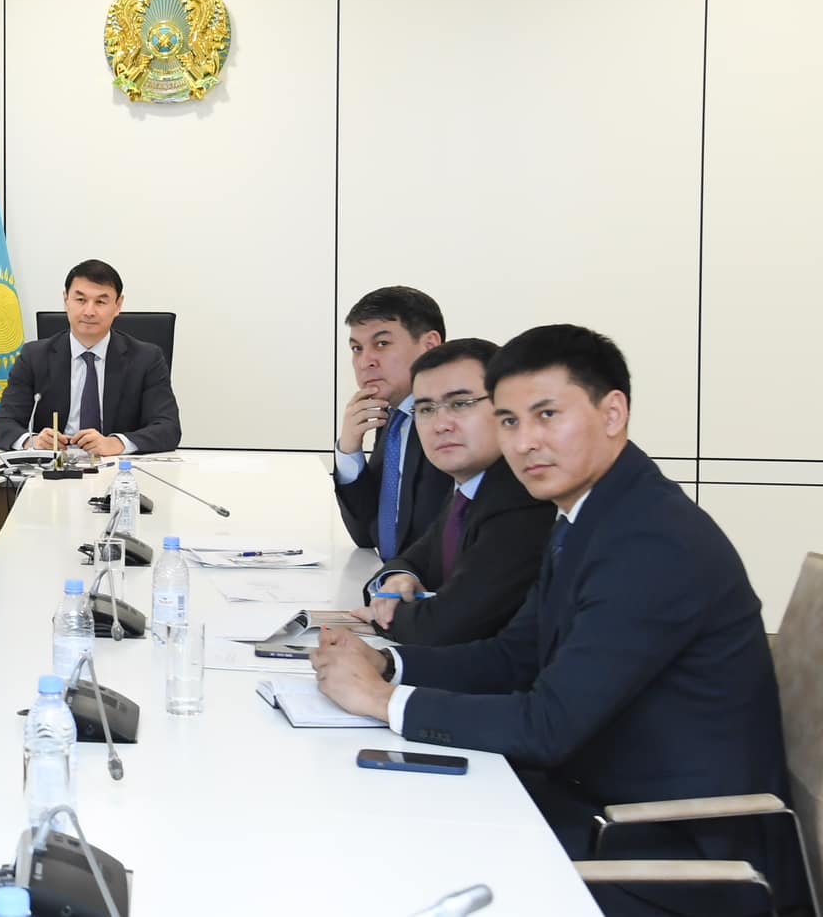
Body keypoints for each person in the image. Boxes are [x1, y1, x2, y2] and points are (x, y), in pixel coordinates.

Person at [312, 326, 802, 917]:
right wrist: (388, 662)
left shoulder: (651, 540)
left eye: (547, 415)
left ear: (612, 413)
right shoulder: (589, 513)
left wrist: (382, 701)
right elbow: (516, 655)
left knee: (391, 866)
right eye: (510, 420)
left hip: (673, 853)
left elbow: (548, 724)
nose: (525, 442)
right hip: (594, 802)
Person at [348, 338, 552, 646]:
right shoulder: (468, 487)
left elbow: (447, 626)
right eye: (426, 409)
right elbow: (414, 558)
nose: (440, 425)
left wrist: (385, 615)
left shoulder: (522, 498)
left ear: (507, 409)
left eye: (460, 404)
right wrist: (399, 579)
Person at [0, 259, 179, 456]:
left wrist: (117, 443)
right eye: (80, 300)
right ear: (66, 301)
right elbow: (2, 425)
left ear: (118, 305)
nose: (89, 312)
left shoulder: (146, 358)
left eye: (100, 302)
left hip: (116, 465)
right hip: (55, 466)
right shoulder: (34, 357)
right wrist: (32, 441)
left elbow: (168, 428)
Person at [334, 286, 453, 558]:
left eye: (382, 344)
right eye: (356, 348)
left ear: (430, 346)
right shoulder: (392, 419)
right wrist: (349, 450)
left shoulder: (451, 425)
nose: (365, 362)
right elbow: (366, 535)